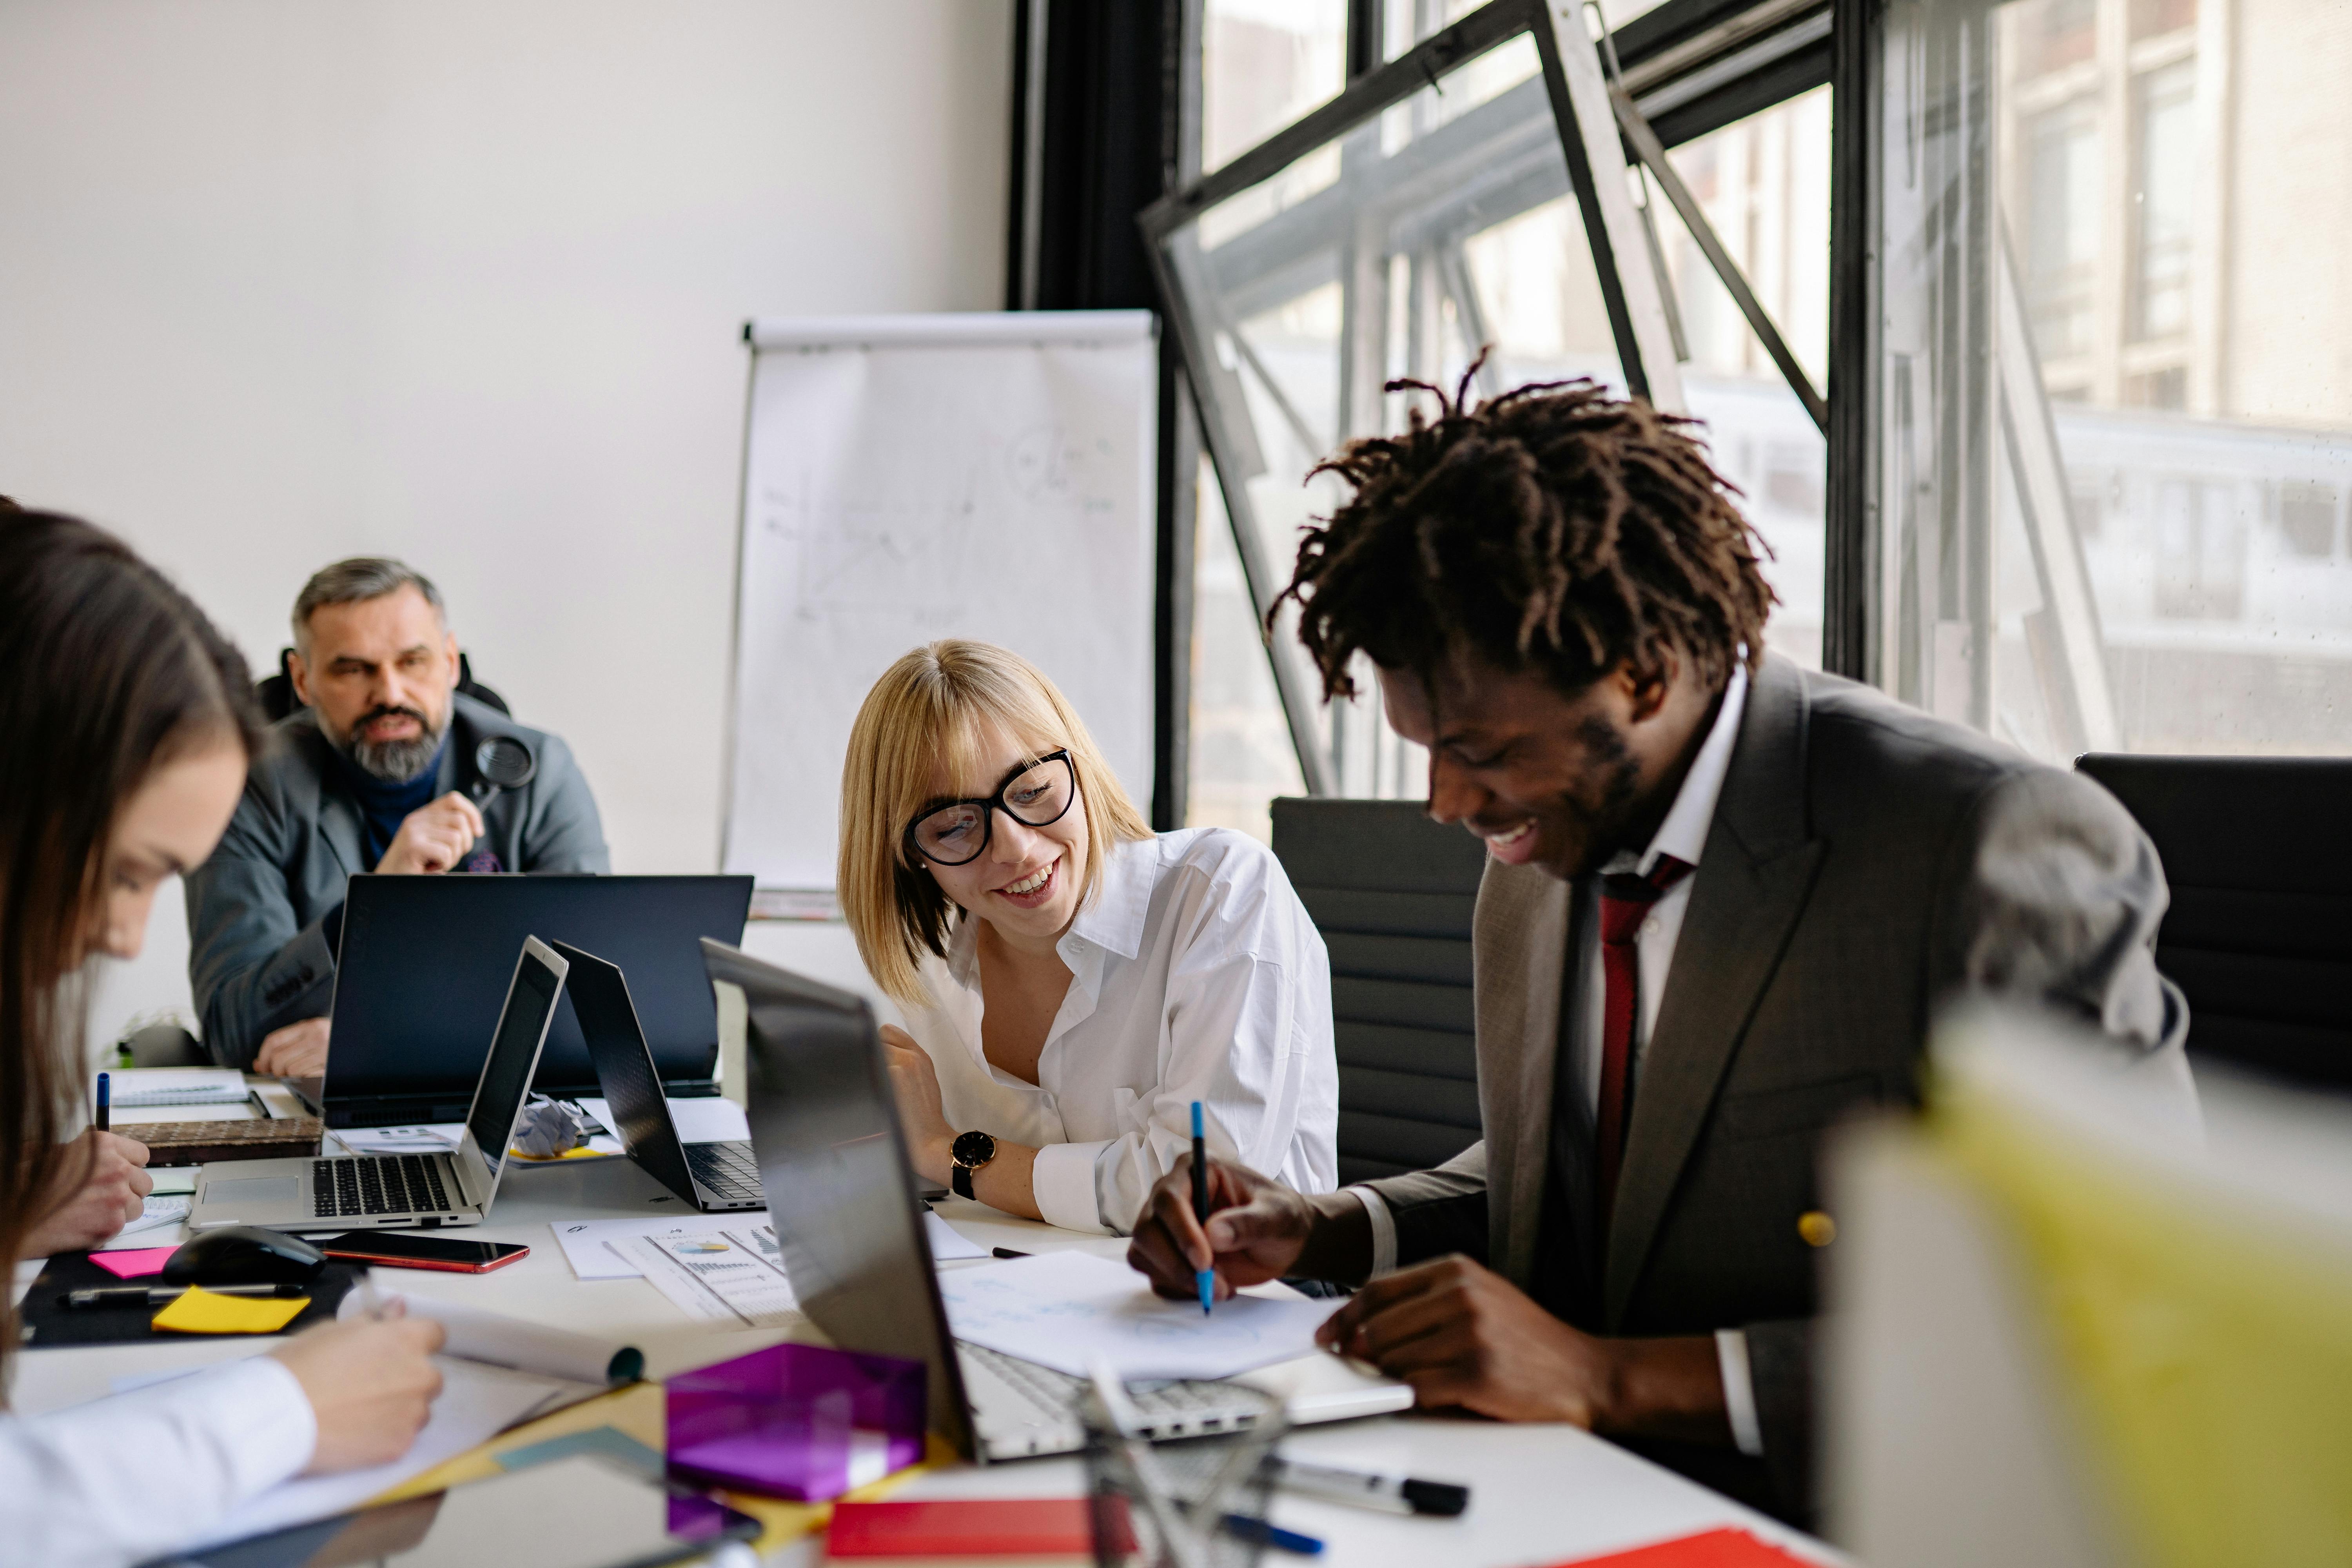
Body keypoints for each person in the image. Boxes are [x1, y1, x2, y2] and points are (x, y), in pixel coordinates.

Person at [1125, 376, 2192, 1521]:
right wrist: (1321, 1227)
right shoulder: (1536, 858)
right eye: (1424, 750)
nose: (1443, 803)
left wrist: (1611, 1377)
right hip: (1559, 1503)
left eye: (1475, 748)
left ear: (1640, 670)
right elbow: (1578, 1185)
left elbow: (2130, 1313)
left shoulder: (1978, 844)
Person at [0, 512, 446, 1565]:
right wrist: (284, 1411)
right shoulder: (276, 790)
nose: (123, 935)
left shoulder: (531, 768)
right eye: (123, 870)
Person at [839, 641, 1338, 1235]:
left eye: (1031, 791)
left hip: (1243, 1303)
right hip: (1033, 1291)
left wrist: (943, 1150)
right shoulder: (931, 958)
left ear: (1080, 768)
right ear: (911, 857)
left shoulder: (1222, 891)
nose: (1017, 848)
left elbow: (1205, 1196)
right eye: (953, 827)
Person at [185, 557, 610, 1074]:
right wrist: (375, 903)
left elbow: (590, 1006)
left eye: (413, 662)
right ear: (302, 679)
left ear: (451, 663)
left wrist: (376, 1044)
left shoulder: (541, 772)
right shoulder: (247, 786)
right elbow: (233, 1028)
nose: (389, 694)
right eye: (353, 669)